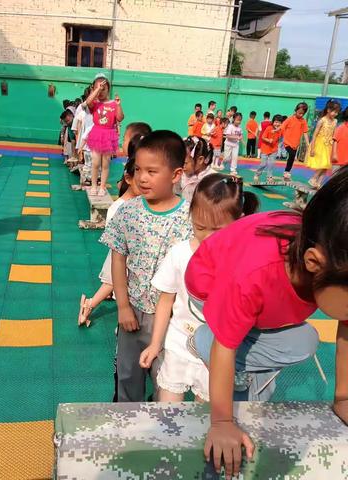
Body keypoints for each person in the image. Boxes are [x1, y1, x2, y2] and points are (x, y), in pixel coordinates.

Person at [185, 167, 348, 479]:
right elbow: (226, 345)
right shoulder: (253, 276)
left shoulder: (332, 259)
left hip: (258, 295)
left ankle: (241, 342)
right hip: (209, 288)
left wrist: (343, 399)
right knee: (225, 341)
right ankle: (202, 340)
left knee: (304, 341)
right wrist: (221, 423)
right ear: (314, 262)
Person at [140, 174, 259, 403]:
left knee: (204, 414)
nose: (207, 237)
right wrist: (155, 344)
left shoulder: (243, 261)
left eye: (217, 230)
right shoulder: (180, 253)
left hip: (217, 352)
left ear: (240, 221)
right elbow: (166, 300)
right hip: (178, 343)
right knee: (168, 409)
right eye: (199, 227)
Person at [101, 130, 192, 402]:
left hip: (172, 317)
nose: (141, 177)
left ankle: (159, 429)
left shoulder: (189, 217)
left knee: (165, 381)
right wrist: (123, 306)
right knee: (128, 376)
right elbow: (118, 259)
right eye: (138, 169)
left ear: (176, 175)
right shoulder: (128, 211)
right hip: (134, 311)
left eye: (152, 171)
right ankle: (126, 428)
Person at [78, 123, 152, 326]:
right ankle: (89, 306)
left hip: (131, 257)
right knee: (114, 282)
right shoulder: (120, 210)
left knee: (113, 283)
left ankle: (89, 305)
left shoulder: (136, 198)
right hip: (126, 256)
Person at [85, 73, 124, 196]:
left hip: (108, 135)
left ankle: (102, 186)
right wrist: (97, 89)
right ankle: (94, 185)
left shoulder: (113, 104)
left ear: (108, 89)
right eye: (99, 88)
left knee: (105, 164)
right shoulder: (95, 103)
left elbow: (120, 117)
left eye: (104, 89)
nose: (101, 91)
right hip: (97, 134)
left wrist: (118, 105)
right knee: (95, 163)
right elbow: (87, 102)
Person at [306, 99, 341, 189]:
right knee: (324, 163)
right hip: (320, 144)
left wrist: (334, 146)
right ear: (328, 110)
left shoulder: (335, 121)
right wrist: (312, 148)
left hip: (329, 145)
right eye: (334, 112)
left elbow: (333, 134)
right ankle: (313, 178)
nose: (335, 114)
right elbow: (314, 135)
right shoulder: (322, 120)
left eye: (337, 112)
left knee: (327, 165)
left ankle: (318, 183)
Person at [177, 137, 216, 203]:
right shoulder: (182, 174)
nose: (181, 166)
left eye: (184, 163)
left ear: (200, 160)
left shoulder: (213, 179)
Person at [281, 102, 310, 181]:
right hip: (287, 142)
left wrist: (308, 144)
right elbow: (282, 127)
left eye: (302, 114)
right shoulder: (290, 119)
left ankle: (287, 172)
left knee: (292, 157)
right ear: (296, 110)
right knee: (292, 154)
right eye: (299, 113)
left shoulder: (303, 121)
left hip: (295, 144)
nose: (300, 115)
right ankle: (286, 171)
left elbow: (305, 132)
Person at [253, 114, 283, 184]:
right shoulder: (269, 128)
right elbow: (263, 137)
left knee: (271, 164)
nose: (277, 124)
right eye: (275, 122)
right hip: (265, 149)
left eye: (279, 122)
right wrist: (268, 140)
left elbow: (281, 138)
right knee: (263, 164)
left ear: (281, 123)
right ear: (273, 122)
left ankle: (269, 177)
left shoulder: (280, 130)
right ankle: (257, 174)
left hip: (274, 150)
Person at [332, 106, 348, 171]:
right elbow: (335, 140)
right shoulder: (341, 127)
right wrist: (334, 154)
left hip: (346, 161)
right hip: (338, 160)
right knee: (335, 178)